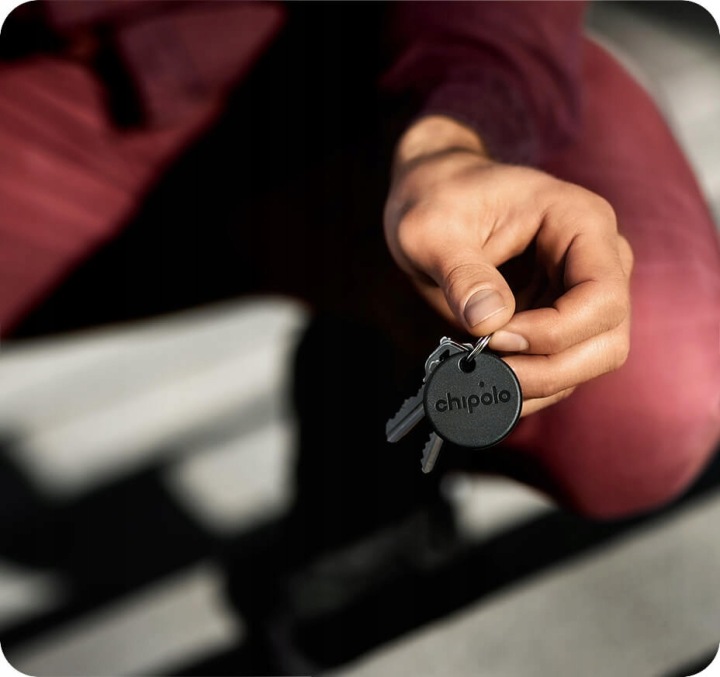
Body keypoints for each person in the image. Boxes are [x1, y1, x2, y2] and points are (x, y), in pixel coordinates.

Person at [1, 0, 719, 533]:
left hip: (400, 56)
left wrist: (454, 138)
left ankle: (372, 440)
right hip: (41, 109)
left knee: (643, 388)